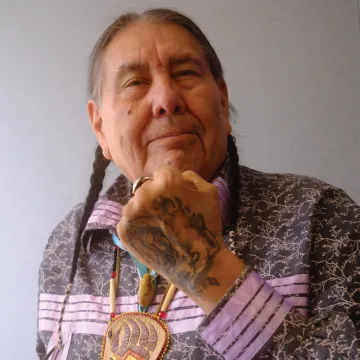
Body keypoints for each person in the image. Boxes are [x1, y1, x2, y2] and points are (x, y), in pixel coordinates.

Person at [36, 8, 360, 360]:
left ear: (222, 101)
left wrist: (207, 268)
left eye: (186, 73)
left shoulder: (321, 217)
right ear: (100, 128)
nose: (166, 100)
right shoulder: (67, 245)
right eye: (135, 83)